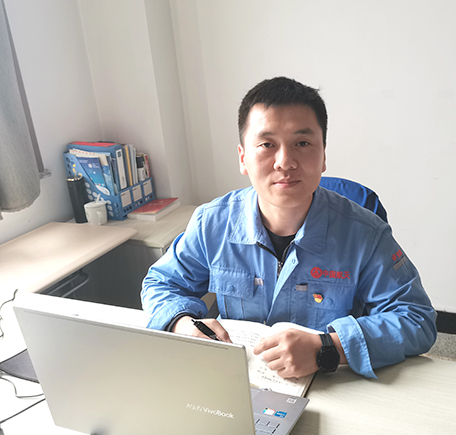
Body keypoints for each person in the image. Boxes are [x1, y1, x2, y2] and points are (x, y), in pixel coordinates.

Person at [141, 77, 436, 379]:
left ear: (323, 155)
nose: (285, 162)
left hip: (330, 382)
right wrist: (183, 324)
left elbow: (416, 319)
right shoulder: (212, 224)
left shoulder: (365, 234)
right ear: (243, 158)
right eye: (267, 144)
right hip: (239, 380)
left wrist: (328, 348)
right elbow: (161, 284)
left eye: (302, 144)